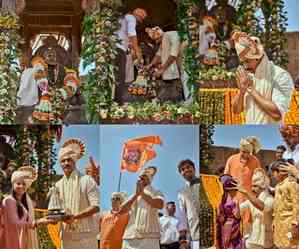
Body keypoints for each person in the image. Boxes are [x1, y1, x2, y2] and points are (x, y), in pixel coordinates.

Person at [231, 31, 294, 124]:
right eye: (242, 62)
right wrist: (242, 91)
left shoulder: (280, 76)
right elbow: (236, 111)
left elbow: (277, 115)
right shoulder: (249, 76)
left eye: (247, 61)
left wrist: (251, 89)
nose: (245, 66)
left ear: (257, 57)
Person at [54, 138, 100, 249]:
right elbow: (56, 209)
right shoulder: (57, 185)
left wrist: (74, 217)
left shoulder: (87, 180)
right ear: (60, 163)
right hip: (66, 236)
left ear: (74, 161)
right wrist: (55, 217)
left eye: (69, 160)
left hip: (86, 235)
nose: (66, 163)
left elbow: (96, 206)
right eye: (63, 161)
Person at [2, 166, 52, 249]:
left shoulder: (23, 202)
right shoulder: (8, 200)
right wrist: (37, 222)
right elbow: (15, 223)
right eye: (18, 183)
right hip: (11, 241)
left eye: (24, 184)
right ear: (13, 184)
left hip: (22, 240)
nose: (21, 186)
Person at [119, 166, 164, 249]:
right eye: (140, 177)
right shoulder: (134, 195)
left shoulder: (156, 192)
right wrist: (136, 194)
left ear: (150, 180)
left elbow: (159, 204)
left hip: (150, 237)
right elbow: (121, 210)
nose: (141, 179)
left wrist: (142, 193)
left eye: (144, 177)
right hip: (130, 237)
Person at [224, 136, 261, 233]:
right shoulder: (231, 159)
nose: (244, 154)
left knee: (247, 229)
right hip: (232, 198)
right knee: (232, 228)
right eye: (242, 151)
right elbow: (225, 177)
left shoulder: (255, 161)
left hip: (248, 199)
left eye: (247, 152)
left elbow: (258, 179)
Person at [115, 8, 148, 104]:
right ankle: (118, 103)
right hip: (119, 50)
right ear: (137, 16)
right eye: (140, 20)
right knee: (120, 77)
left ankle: (116, 101)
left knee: (117, 77)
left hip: (116, 49)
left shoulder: (123, 18)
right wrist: (138, 52)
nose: (138, 23)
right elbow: (132, 34)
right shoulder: (131, 18)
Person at [238, 168, 274, 249]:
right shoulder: (252, 200)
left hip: (266, 240)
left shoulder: (270, 199)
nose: (252, 189)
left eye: (255, 186)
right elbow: (239, 208)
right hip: (254, 239)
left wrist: (246, 193)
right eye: (252, 186)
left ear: (262, 187)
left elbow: (263, 207)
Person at [145, 26, 183, 102]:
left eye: (157, 40)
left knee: (182, 89)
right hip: (172, 70)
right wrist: (150, 65)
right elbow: (158, 55)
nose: (157, 42)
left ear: (159, 35)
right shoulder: (163, 40)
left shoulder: (173, 35)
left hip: (182, 65)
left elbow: (173, 55)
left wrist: (161, 70)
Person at [271, 159, 299, 249]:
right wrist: (274, 221)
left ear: (280, 172)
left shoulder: (292, 184)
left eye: (274, 172)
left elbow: (296, 205)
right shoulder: (278, 186)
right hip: (280, 225)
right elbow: (276, 206)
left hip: (289, 225)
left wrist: (295, 225)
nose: (273, 175)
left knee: (291, 244)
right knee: (281, 245)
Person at [177, 159, 200, 249]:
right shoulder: (181, 192)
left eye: (188, 167)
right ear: (181, 174)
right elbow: (183, 215)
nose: (186, 170)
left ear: (194, 168)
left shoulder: (205, 182)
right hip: (195, 236)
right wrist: (183, 239)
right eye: (183, 169)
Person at [216, 174, 242, 249]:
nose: (237, 192)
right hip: (233, 226)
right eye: (236, 190)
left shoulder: (220, 200)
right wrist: (237, 205)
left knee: (225, 244)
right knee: (233, 244)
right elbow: (237, 215)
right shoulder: (232, 201)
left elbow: (220, 217)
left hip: (224, 227)